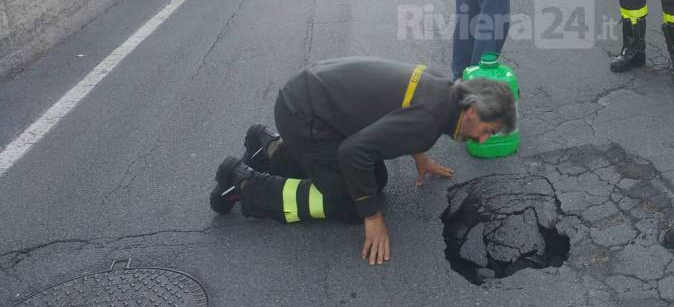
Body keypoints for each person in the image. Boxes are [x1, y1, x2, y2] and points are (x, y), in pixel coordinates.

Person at [208, 57, 517, 266]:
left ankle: (269, 148)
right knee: (353, 201)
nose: (483, 140)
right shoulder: (427, 122)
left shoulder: (442, 87)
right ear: (473, 111)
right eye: (488, 131)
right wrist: (371, 217)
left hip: (306, 97)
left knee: (371, 180)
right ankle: (244, 183)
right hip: (304, 117)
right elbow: (353, 152)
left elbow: (406, 115)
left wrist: (419, 157)